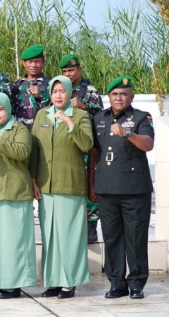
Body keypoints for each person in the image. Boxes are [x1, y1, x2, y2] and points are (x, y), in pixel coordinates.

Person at [89, 76, 155, 300]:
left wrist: (128, 133)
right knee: (112, 237)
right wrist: (91, 183)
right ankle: (116, 282)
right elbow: (94, 154)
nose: (119, 98)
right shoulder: (99, 118)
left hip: (134, 190)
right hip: (106, 188)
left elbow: (148, 144)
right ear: (109, 97)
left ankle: (136, 283)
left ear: (131, 96)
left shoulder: (140, 118)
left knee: (136, 238)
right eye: (115, 94)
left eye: (123, 94)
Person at [30, 76, 93, 299]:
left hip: (70, 184)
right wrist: (33, 179)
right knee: (50, 236)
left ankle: (70, 281)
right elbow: (34, 149)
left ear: (70, 93)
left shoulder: (81, 116)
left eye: (62, 91)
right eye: (54, 91)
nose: (58, 95)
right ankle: (54, 281)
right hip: (46, 185)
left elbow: (86, 144)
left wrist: (69, 122)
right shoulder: (41, 115)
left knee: (70, 235)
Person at [0, 93, 37, 299]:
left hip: (13, 192)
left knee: (14, 241)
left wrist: (0, 139)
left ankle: (13, 284)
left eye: (0, 109)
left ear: (8, 109)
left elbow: (22, 153)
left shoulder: (19, 129)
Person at [60, 53, 104, 243]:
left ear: (79, 69)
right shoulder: (63, 89)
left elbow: (101, 117)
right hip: (69, 145)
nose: (68, 74)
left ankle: (91, 227)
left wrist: (83, 106)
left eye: (71, 70)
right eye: (65, 71)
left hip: (89, 145)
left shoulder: (90, 90)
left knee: (90, 185)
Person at [11, 44, 50, 129]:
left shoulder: (50, 84)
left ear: (43, 63)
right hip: (20, 131)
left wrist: (41, 96)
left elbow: (55, 106)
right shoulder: (17, 85)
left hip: (41, 130)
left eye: (37, 61)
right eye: (30, 62)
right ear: (24, 63)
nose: (33, 65)